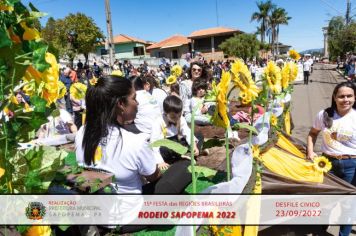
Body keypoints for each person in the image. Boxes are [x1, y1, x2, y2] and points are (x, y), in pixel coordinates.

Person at [75, 75, 191, 195]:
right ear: (121, 104)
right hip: (131, 208)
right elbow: (153, 176)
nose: (137, 102)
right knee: (183, 167)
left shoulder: (82, 132)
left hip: (100, 201)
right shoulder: (135, 142)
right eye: (134, 98)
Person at [307, 81, 356, 236]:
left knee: (348, 205)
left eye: (349, 96)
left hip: (352, 165)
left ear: (355, 98)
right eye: (341, 96)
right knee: (326, 201)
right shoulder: (324, 115)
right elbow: (312, 133)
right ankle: (321, 229)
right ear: (335, 97)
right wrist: (310, 152)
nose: (345, 99)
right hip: (327, 164)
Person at [150, 95, 204, 171]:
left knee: (199, 135)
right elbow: (154, 143)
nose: (177, 119)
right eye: (173, 117)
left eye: (179, 116)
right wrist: (160, 162)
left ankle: (192, 152)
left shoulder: (180, 118)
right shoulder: (158, 122)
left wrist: (194, 145)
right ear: (165, 113)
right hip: (167, 145)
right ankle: (186, 154)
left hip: (178, 143)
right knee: (166, 149)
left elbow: (187, 132)